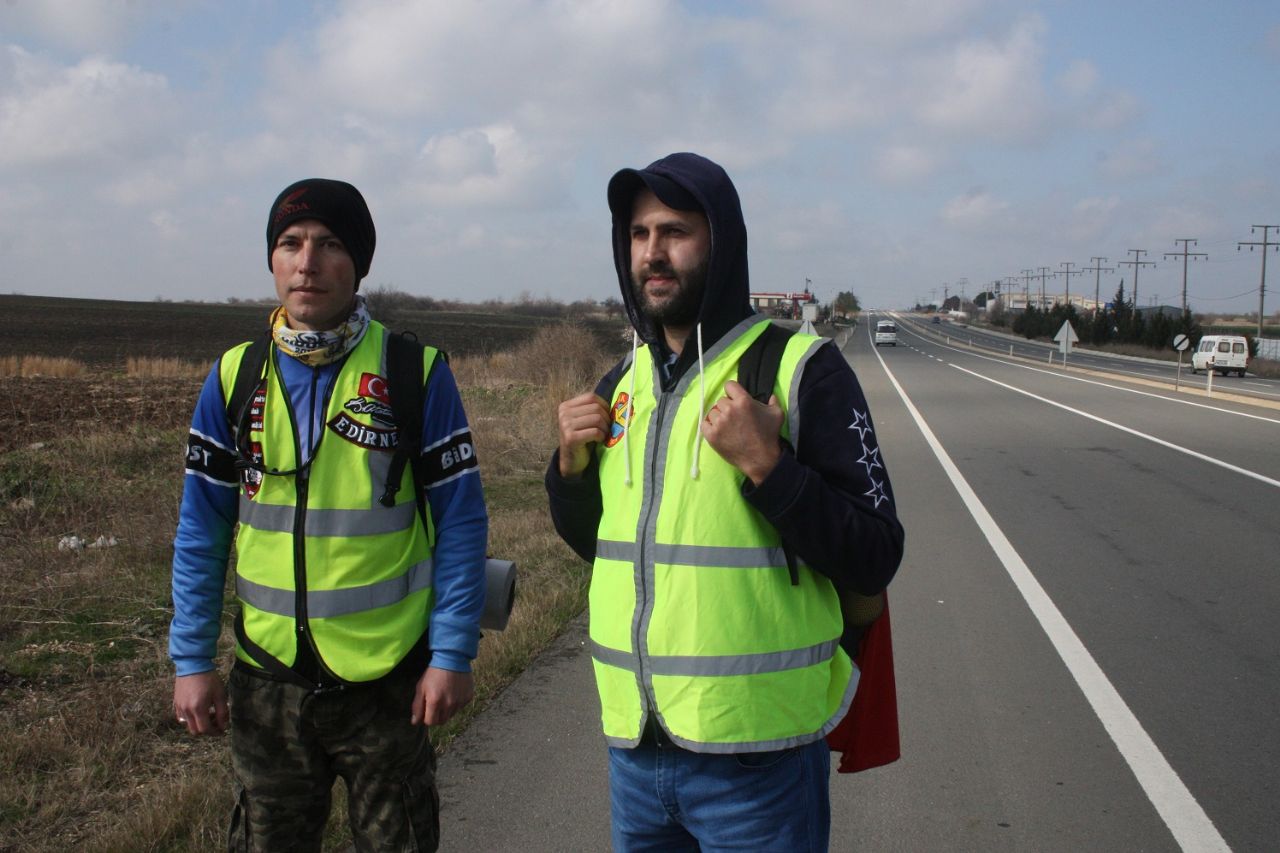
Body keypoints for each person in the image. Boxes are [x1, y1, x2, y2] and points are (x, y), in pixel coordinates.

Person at [547, 152, 904, 851]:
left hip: (756, 759)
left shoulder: (800, 370)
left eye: (675, 230)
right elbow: (603, 543)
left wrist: (769, 467)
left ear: (723, 241)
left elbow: (876, 550)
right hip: (635, 753)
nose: (654, 251)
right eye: (639, 233)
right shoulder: (623, 381)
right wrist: (567, 469)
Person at [169, 178, 487, 851]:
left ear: (359, 263)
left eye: (330, 243)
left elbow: (461, 522)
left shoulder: (415, 372)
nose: (307, 261)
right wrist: (192, 659)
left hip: (389, 681)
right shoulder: (233, 376)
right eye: (290, 243)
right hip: (268, 683)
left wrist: (453, 650)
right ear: (272, 260)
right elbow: (202, 528)